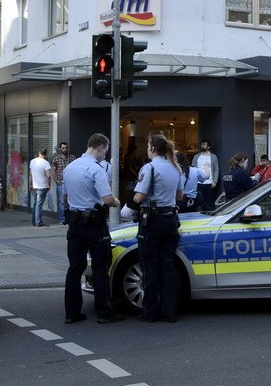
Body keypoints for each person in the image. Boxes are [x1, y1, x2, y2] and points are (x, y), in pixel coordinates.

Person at [63, 133, 123, 324]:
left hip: (75, 223)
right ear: (101, 148)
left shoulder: (70, 167)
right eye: (105, 150)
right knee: (100, 267)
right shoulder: (96, 170)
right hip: (94, 225)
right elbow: (107, 199)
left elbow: (66, 196)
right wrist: (116, 202)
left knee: (75, 268)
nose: (105, 155)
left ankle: (72, 313)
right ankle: (104, 312)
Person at [133, 134, 184, 323]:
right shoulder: (176, 167)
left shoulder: (150, 168)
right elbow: (179, 196)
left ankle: (150, 312)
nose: (147, 149)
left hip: (152, 221)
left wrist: (134, 195)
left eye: (148, 146)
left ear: (153, 149)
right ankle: (169, 312)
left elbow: (138, 198)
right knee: (168, 267)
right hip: (171, 219)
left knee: (150, 267)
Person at [192, 140, 219, 211]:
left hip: (209, 183)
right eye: (202, 144)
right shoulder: (196, 157)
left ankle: (209, 216)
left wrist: (215, 181)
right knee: (199, 202)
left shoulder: (213, 157)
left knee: (209, 202)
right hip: (198, 183)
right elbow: (193, 169)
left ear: (208, 146)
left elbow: (216, 169)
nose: (202, 146)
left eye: (204, 145)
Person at [51, 142, 73, 225]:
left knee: (71, 201)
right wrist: (56, 181)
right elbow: (53, 170)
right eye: (63, 148)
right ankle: (62, 219)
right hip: (60, 183)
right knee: (61, 202)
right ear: (60, 149)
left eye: (66, 148)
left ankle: (71, 219)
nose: (65, 149)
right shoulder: (56, 159)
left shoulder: (72, 157)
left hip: (70, 183)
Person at [29, 148, 51, 227]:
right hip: (42, 186)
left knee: (35, 204)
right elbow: (48, 176)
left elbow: (30, 174)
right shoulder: (46, 163)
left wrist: (30, 184)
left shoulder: (32, 161)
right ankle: (38, 222)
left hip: (35, 186)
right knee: (39, 205)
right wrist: (48, 185)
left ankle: (34, 221)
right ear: (45, 154)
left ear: (39, 153)